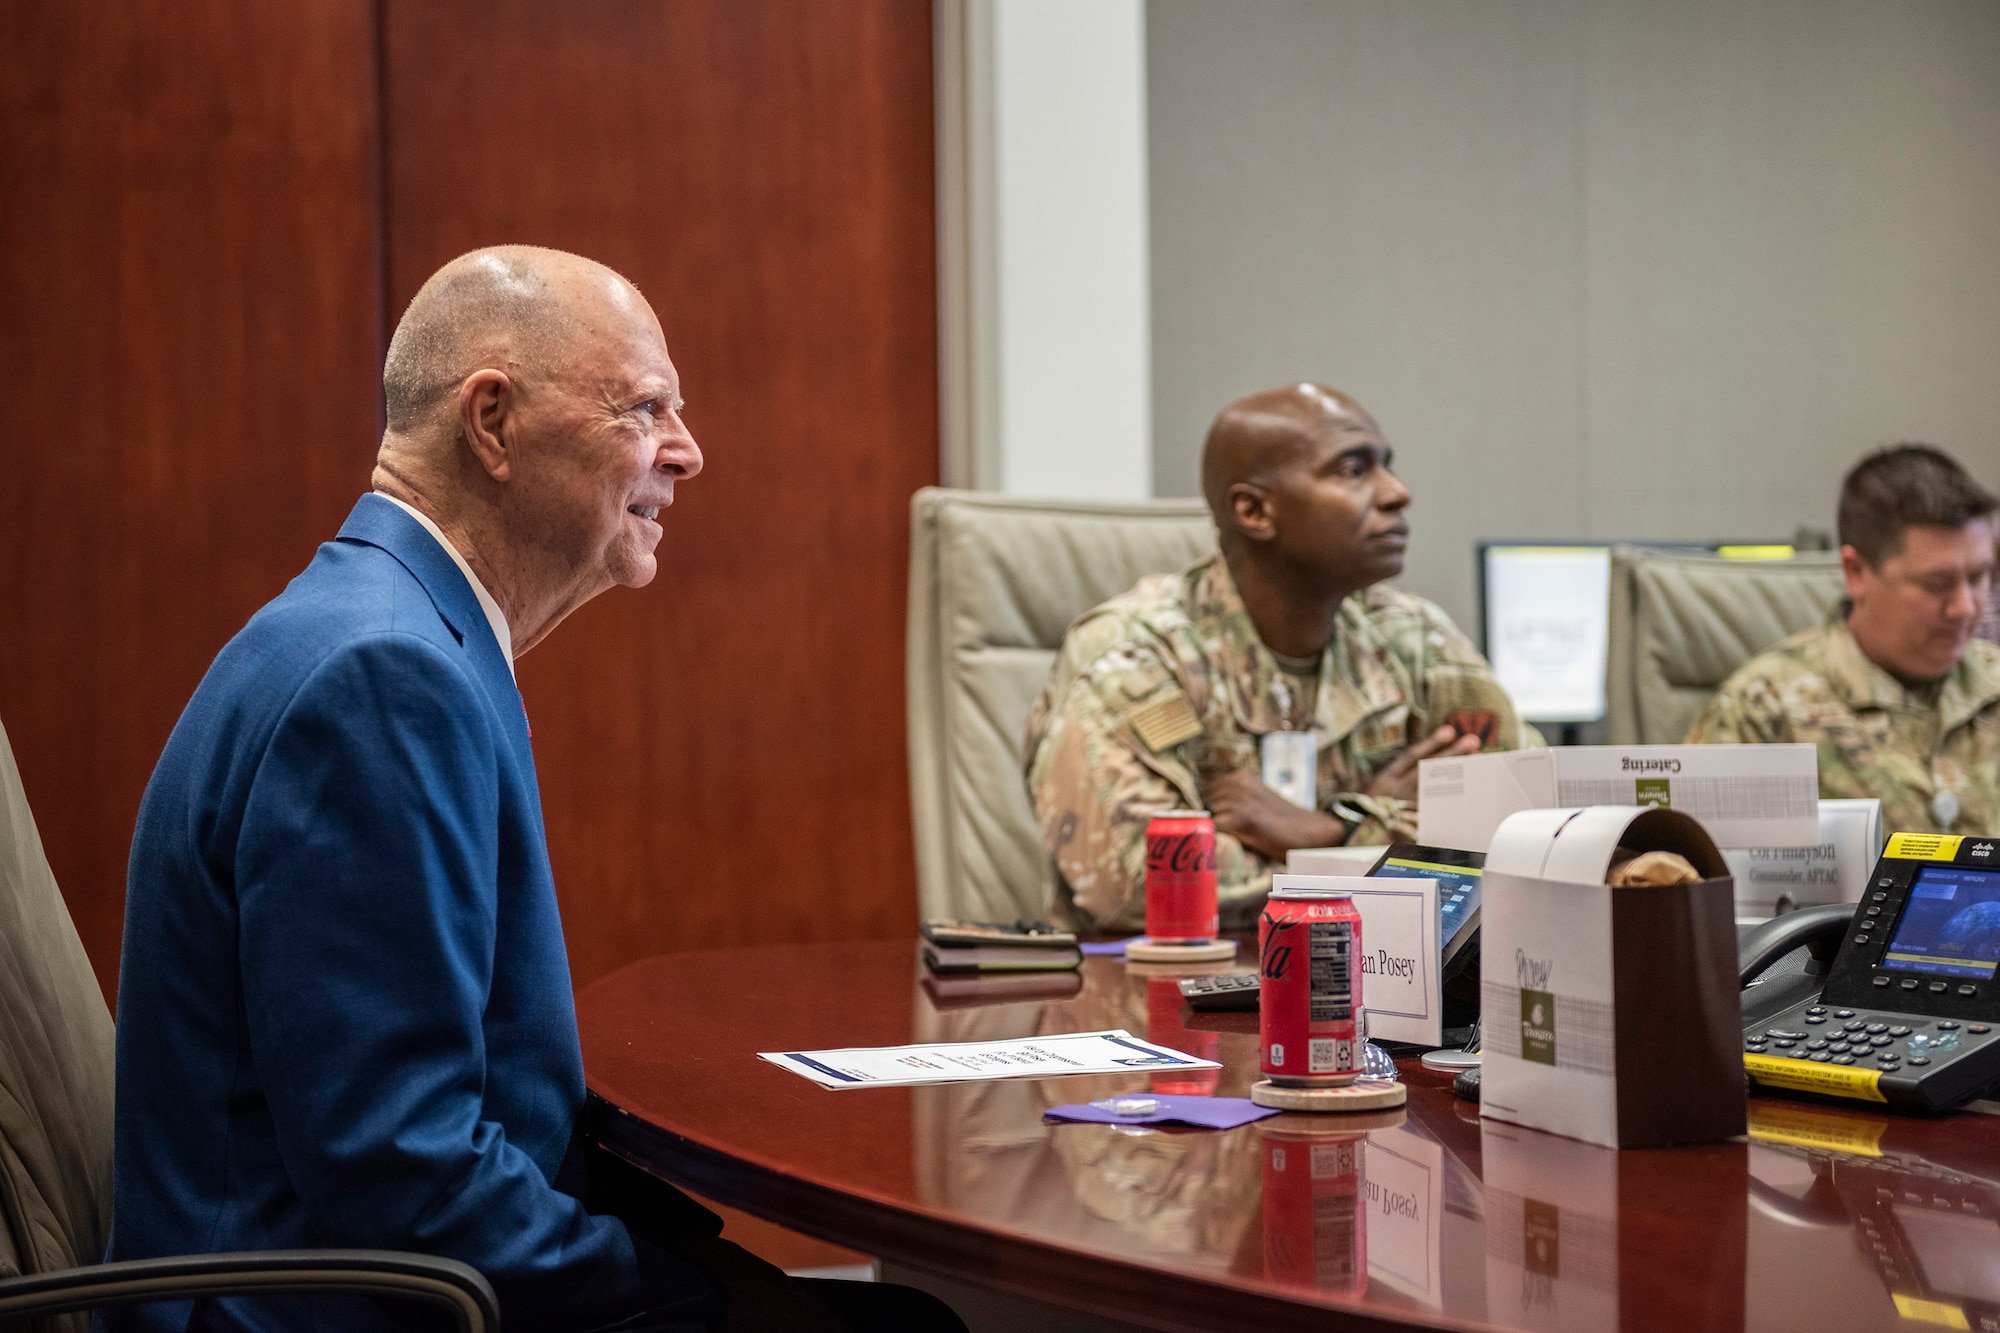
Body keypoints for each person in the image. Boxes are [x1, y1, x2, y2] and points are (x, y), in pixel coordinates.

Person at [108, 247, 963, 1333]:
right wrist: (699, 1290)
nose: (689, 451)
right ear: (493, 423)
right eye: (645, 406)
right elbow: (399, 1177)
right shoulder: (382, 676)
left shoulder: (391, 628)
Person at [1023, 383, 1533, 932]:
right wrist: (1380, 845)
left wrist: (1333, 830)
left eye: (1386, 465)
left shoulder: (1415, 640)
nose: (1397, 493)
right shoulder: (1135, 655)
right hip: (1167, 999)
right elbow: (1138, 886)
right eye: (1353, 469)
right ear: (1254, 511)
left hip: (1383, 987)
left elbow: (1530, 825)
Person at [1687, 444, 1999, 836]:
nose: (1966, 607)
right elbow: (1701, 881)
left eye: (1980, 577)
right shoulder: (1764, 710)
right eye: (1936, 583)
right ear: (1855, 572)